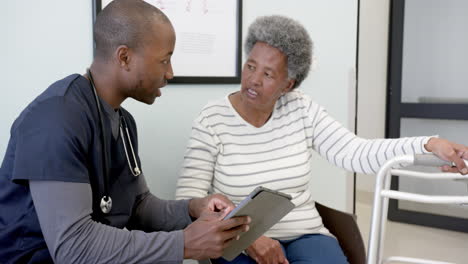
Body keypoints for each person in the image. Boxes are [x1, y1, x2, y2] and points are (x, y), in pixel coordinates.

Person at [175, 15, 468, 264]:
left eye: (267, 74)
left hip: (305, 234)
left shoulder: (301, 109)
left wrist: (428, 144)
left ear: (287, 84)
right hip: (238, 240)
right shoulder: (212, 117)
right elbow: (188, 200)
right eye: (250, 66)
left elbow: (356, 152)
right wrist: (247, 236)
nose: (253, 80)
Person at [0, 1, 250, 263]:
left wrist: (192, 208)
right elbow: (74, 247)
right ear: (124, 57)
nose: (170, 73)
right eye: (164, 60)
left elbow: (139, 207)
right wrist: (184, 244)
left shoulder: (122, 122)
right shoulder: (55, 118)